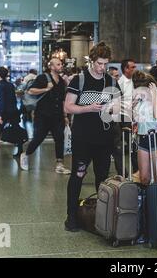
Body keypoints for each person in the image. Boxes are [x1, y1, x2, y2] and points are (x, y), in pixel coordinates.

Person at [64, 42, 121, 232]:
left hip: (104, 140)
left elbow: (118, 107)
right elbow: (68, 107)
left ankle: (102, 218)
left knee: (102, 179)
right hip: (82, 139)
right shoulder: (79, 80)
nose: (101, 68)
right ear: (92, 61)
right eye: (99, 63)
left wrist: (113, 108)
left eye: (105, 64)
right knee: (78, 176)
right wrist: (88, 108)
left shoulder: (111, 82)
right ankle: (71, 216)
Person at [20, 58, 70, 174]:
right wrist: (46, 88)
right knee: (38, 138)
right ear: (51, 67)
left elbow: (62, 99)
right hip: (43, 115)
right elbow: (31, 91)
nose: (60, 66)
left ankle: (60, 164)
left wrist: (65, 115)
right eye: (58, 64)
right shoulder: (43, 77)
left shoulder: (62, 81)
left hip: (57, 115)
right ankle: (25, 154)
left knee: (59, 138)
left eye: (61, 64)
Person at [132, 69, 157, 185]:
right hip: (143, 139)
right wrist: (133, 104)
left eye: (142, 91)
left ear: (150, 88)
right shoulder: (139, 101)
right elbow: (133, 119)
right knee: (144, 178)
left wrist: (154, 96)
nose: (140, 93)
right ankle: (147, 202)